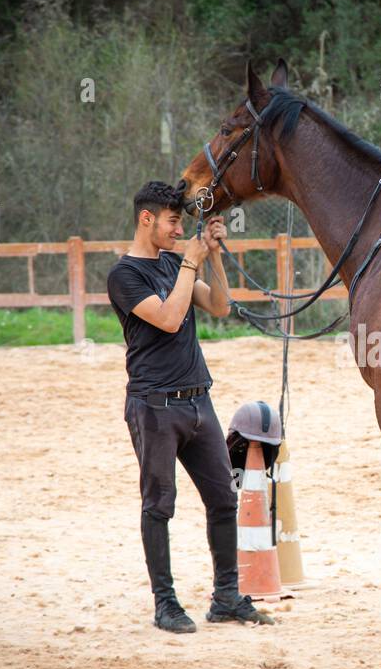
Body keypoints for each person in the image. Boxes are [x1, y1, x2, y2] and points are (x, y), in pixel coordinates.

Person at [106, 181, 274, 633]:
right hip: (154, 406)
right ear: (147, 219)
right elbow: (168, 317)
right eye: (173, 221)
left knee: (223, 499)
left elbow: (219, 306)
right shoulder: (125, 275)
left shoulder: (172, 263)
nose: (180, 230)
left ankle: (227, 598)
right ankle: (165, 604)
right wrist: (189, 261)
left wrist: (213, 255)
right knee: (159, 505)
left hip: (198, 400)